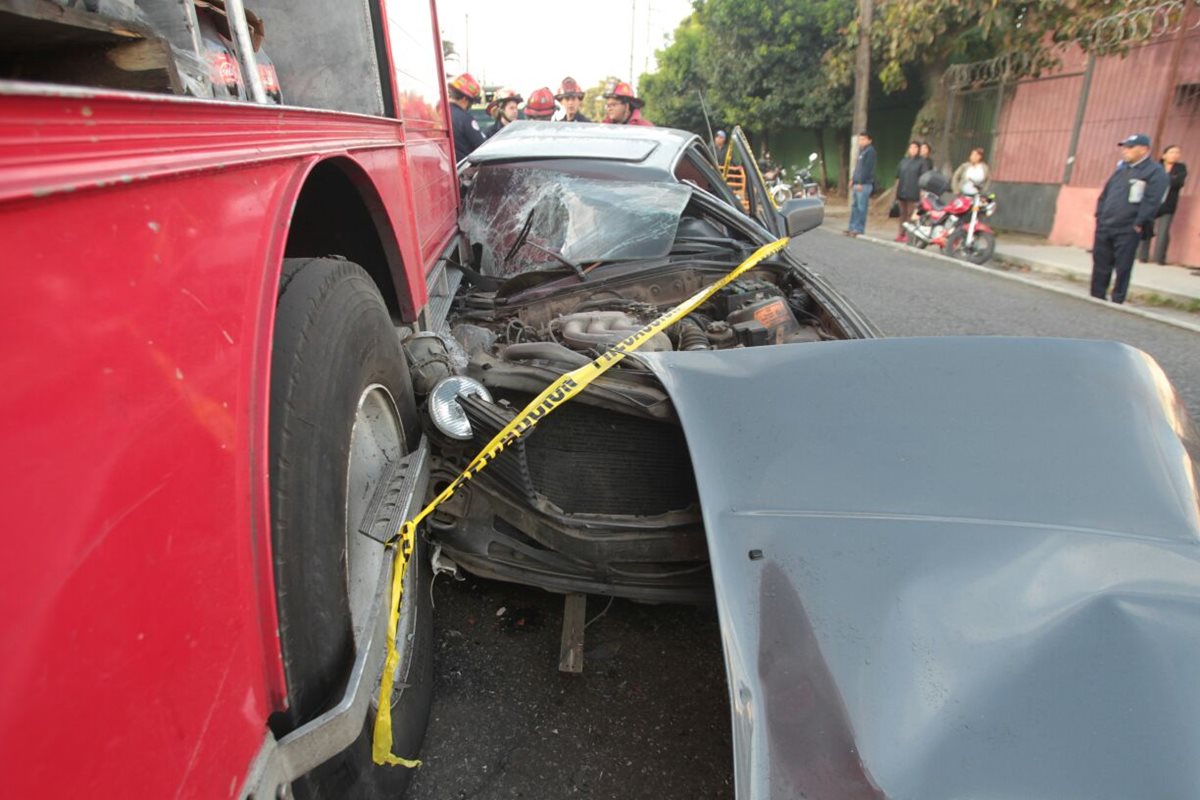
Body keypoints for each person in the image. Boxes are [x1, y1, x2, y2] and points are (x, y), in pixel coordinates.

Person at [1091, 133, 1169, 304]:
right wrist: (1100, 215)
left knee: (1123, 266)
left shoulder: (1154, 171)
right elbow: (1106, 194)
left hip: (1128, 226)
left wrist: (1139, 222)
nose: (1125, 151)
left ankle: (1117, 299)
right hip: (1106, 224)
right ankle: (1096, 296)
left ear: (1144, 149)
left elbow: (1152, 200)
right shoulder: (1122, 169)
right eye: (1124, 147)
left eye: (1130, 147)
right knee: (1101, 262)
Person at [1139, 144, 1187, 264]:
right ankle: (1142, 256)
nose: (1175, 155)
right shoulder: (1156, 167)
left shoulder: (1181, 168)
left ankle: (1159, 258)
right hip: (1152, 202)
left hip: (1169, 203)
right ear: (1164, 155)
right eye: (1172, 152)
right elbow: (1148, 181)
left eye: (1177, 153)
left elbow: (1179, 183)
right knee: (1147, 227)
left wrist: (1162, 180)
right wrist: (1169, 179)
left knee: (1163, 231)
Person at [894, 140, 928, 242]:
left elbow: (924, 178)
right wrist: (896, 190)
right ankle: (900, 233)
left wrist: (922, 193)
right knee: (902, 213)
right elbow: (898, 176)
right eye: (911, 147)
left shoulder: (922, 162)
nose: (913, 150)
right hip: (902, 191)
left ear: (918, 149)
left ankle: (909, 235)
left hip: (914, 192)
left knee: (911, 214)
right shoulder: (904, 161)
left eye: (915, 148)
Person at [448, 72, 486, 159]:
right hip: (464, 166)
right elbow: (482, 146)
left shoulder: (439, 114)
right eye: (471, 102)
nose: (470, 106)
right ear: (465, 99)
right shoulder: (465, 119)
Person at [847, 131, 875, 237]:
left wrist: (860, 183)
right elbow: (858, 168)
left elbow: (866, 169)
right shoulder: (862, 151)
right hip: (857, 183)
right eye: (860, 139)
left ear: (869, 140)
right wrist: (853, 179)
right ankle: (852, 227)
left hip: (864, 184)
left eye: (863, 139)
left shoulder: (870, 152)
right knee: (854, 207)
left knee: (861, 208)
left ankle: (859, 229)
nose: (861, 141)